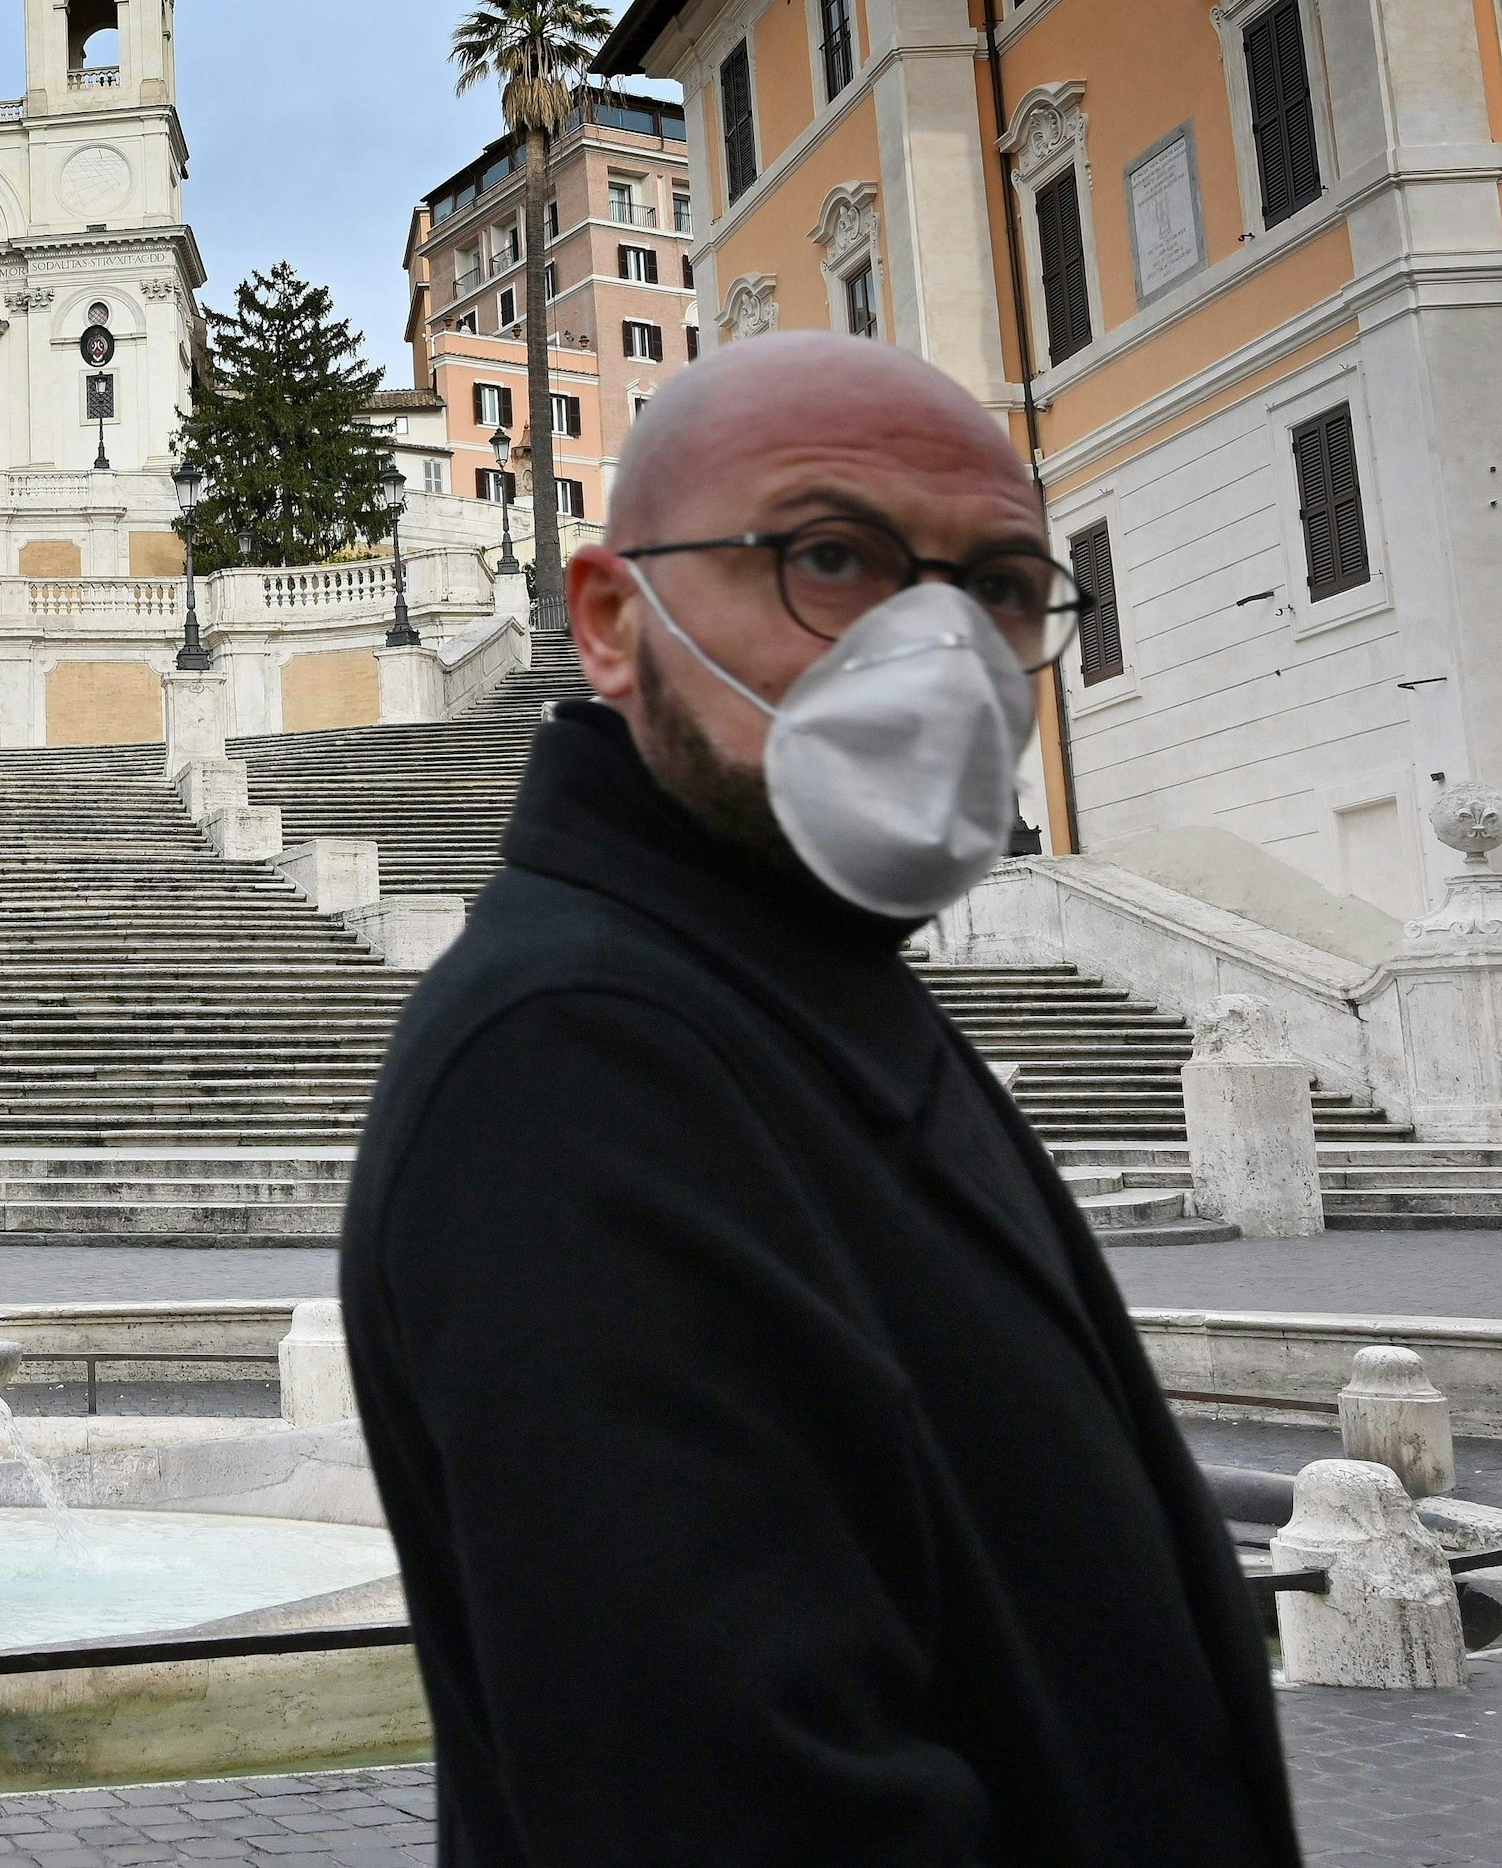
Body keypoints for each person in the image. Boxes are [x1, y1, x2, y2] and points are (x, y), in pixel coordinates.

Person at [339, 332, 1297, 1866]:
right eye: (832, 556)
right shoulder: (574, 1064)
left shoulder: (803, 974)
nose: (941, 648)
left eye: (1000, 587)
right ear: (608, 619)